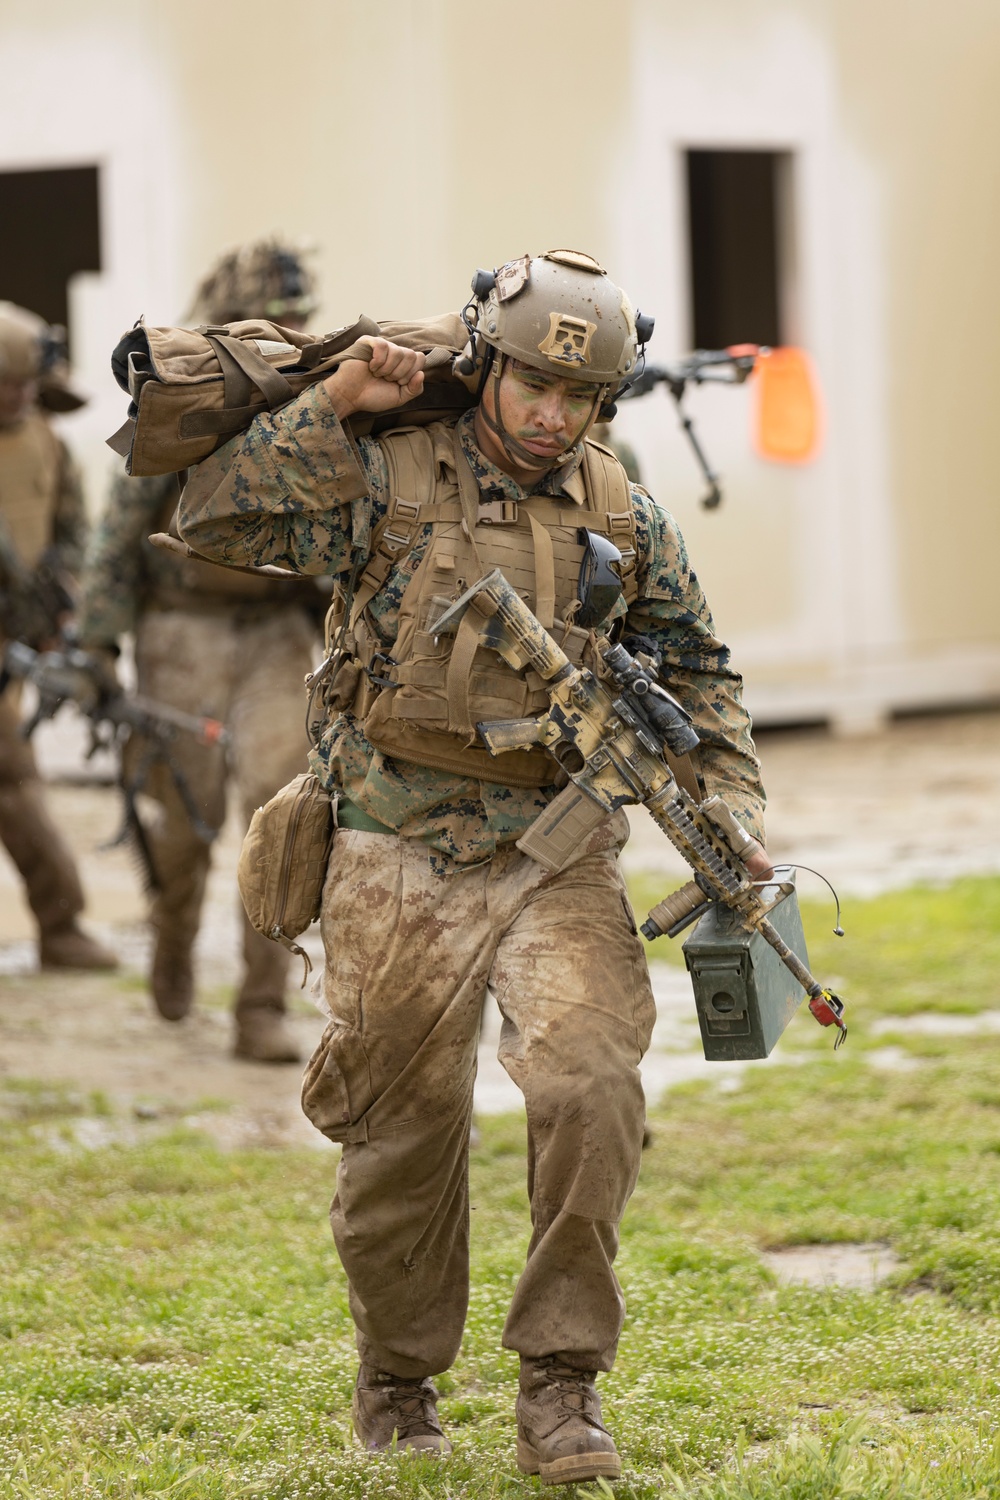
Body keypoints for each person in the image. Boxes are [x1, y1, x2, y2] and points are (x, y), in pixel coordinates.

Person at [176, 250, 770, 1484]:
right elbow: (212, 516)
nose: (553, 416)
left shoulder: (619, 509)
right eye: (533, 386)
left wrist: (729, 806)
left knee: (591, 1085)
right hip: (395, 846)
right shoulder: (386, 471)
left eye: (580, 396)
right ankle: (397, 1371)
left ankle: (560, 1384)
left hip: (553, 850)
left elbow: (695, 665)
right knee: (402, 1126)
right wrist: (330, 407)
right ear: (489, 366)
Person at [77, 239, 327, 1062]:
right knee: (187, 818)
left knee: (278, 810)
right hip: (180, 629)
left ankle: (261, 1006)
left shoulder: (326, 394)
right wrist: (98, 644)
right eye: (274, 317)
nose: (288, 332)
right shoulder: (182, 395)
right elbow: (120, 533)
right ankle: (172, 933)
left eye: (297, 319)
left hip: (275, 633)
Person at [0, 303, 117, 971]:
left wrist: (64, 609)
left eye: (25, 384)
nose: (18, 396)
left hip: (19, 635)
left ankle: (61, 925)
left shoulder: (45, 440)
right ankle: (61, 923)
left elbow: (73, 529)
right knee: (13, 773)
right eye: (5, 384)